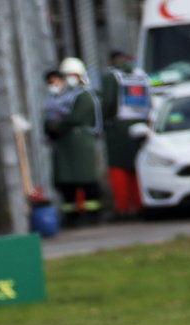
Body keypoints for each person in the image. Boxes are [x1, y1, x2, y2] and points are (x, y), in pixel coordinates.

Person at [47, 57, 103, 226]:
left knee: (86, 180)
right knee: (67, 185)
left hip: (80, 145)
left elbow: (75, 118)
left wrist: (57, 127)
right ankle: (71, 217)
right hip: (66, 146)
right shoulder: (66, 96)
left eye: (72, 75)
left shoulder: (84, 96)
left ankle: (93, 215)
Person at [100, 50, 149, 220]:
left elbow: (108, 103)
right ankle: (141, 204)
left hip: (119, 127)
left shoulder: (112, 76)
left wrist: (103, 122)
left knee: (118, 167)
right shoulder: (141, 74)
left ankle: (123, 208)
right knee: (138, 166)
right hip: (142, 123)